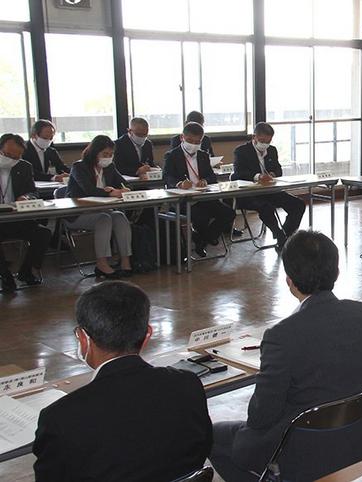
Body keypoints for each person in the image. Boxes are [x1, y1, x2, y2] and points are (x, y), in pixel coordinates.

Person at [210, 230, 362, 482]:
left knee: (212, 436)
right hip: (354, 441)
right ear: (336, 272)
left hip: (299, 450)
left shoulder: (282, 336)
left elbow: (261, 416)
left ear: (289, 281)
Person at [32, 281, 212, 481]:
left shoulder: (60, 418)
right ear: (147, 335)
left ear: (83, 339)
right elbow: (202, 448)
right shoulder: (187, 384)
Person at [163, 122, 235, 257]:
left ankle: (203, 239)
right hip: (184, 200)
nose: (193, 144)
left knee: (228, 213)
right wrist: (179, 184)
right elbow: (167, 177)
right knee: (201, 217)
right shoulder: (171, 155)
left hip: (203, 197)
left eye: (197, 142)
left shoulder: (203, 155)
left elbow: (211, 176)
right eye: (190, 141)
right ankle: (203, 239)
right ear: (182, 137)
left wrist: (205, 180)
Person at [65, 135, 133, 278]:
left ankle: (125, 261)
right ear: (94, 152)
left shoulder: (110, 167)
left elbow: (125, 183)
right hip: (78, 213)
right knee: (104, 219)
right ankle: (102, 263)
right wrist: (109, 193)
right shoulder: (79, 167)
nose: (108, 158)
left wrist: (124, 189)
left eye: (110, 154)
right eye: (104, 154)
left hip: (102, 209)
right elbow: (88, 190)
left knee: (120, 217)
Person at [231, 122, 306, 251]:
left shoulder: (272, 150)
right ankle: (279, 235)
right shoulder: (241, 151)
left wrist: (273, 174)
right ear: (254, 137)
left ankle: (286, 235)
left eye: (268, 141)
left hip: (270, 191)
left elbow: (278, 169)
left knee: (298, 204)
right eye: (262, 141)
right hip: (249, 194)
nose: (265, 144)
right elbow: (238, 173)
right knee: (266, 207)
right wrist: (257, 176)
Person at [0, 134, 51, 292]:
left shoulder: (24, 167)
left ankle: (26, 270)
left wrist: (26, 197)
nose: (12, 160)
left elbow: (33, 192)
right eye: (8, 155)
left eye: (17, 156)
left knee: (43, 233)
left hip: (17, 218)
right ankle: (5, 275)